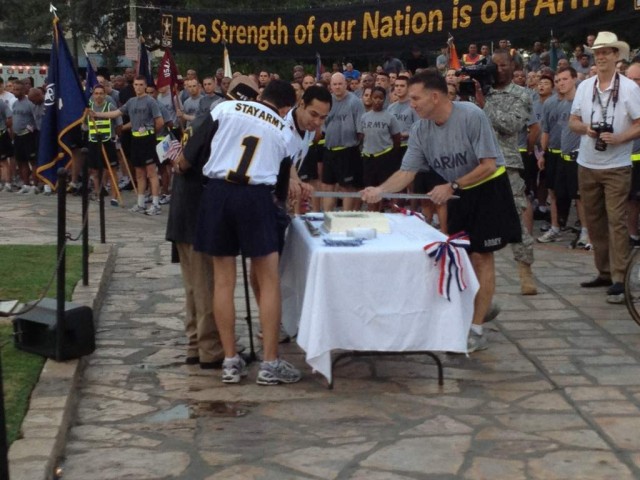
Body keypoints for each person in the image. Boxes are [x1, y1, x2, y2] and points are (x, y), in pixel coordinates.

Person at [361, 69, 521, 352]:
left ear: (435, 97)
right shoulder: (421, 129)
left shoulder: (471, 115)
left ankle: (476, 328)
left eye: (415, 98)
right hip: (456, 193)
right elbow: (407, 171)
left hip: (486, 190)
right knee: (460, 256)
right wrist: (380, 190)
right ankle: (481, 303)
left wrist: (454, 185)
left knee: (482, 257)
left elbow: (489, 164)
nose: (411, 104)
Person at [180, 79, 301, 385]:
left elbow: (194, 150)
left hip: (217, 193)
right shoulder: (284, 130)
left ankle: (231, 360)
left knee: (223, 279)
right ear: (286, 107)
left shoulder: (224, 108)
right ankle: (270, 362)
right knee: (267, 279)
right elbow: (282, 188)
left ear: (262, 95)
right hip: (256, 196)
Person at [569, 32, 640, 304]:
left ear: (616, 56)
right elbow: (572, 121)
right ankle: (604, 271)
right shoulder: (586, 86)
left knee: (617, 221)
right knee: (595, 222)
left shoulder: (629, 88)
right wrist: (586, 129)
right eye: (597, 52)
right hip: (587, 163)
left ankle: (620, 279)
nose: (600, 57)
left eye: (606, 52)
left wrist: (620, 138)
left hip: (617, 165)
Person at [478, 49, 537, 295]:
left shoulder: (522, 94)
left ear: (513, 66)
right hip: (478, 163)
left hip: (506, 162)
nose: (498, 69)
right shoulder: (480, 91)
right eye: (494, 65)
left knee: (516, 218)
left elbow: (512, 125)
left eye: (503, 65)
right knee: (476, 220)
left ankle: (525, 270)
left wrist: (485, 104)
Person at [92, 75, 164, 215]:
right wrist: (97, 114)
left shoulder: (151, 102)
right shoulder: (131, 101)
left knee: (151, 172)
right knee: (139, 173)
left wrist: (151, 134)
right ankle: (140, 203)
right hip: (135, 138)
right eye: (136, 85)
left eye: (140, 84)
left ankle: (155, 204)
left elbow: (159, 121)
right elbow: (116, 113)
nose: (138, 87)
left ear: (145, 86)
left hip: (147, 138)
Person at [320, 73, 365, 211]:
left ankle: (346, 217)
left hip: (347, 151)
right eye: (335, 84)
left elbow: (361, 131)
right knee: (328, 186)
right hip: (329, 149)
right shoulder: (327, 102)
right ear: (330, 86)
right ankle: (327, 215)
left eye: (340, 84)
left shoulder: (355, 102)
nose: (338, 87)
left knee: (347, 187)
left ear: (346, 84)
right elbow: (322, 125)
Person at [357, 86, 401, 211]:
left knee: (382, 187)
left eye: (380, 98)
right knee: (370, 187)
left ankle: (382, 210)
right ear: (371, 98)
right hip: (368, 157)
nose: (377, 101)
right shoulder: (365, 117)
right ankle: (372, 212)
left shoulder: (390, 117)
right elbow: (361, 136)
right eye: (375, 98)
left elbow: (396, 137)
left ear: (384, 99)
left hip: (384, 156)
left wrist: (391, 153)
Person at [85, 84, 122, 204]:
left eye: (101, 93)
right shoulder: (88, 108)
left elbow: (119, 123)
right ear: (93, 95)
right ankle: (97, 193)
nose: (99, 96)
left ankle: (114, 197)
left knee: (111, 170)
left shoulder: (110, 106)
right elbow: (84, 125)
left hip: (108, 142)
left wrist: (115, 136)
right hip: (94, 141)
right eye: (96, 93)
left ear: (105, 95)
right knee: (94, 170)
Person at [626, 63, 640, 248]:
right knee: (631, 199)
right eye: (628, 79)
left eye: (636, 79)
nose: (632, 83)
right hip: (628, 158)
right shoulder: (622, 99)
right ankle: (632, 234)